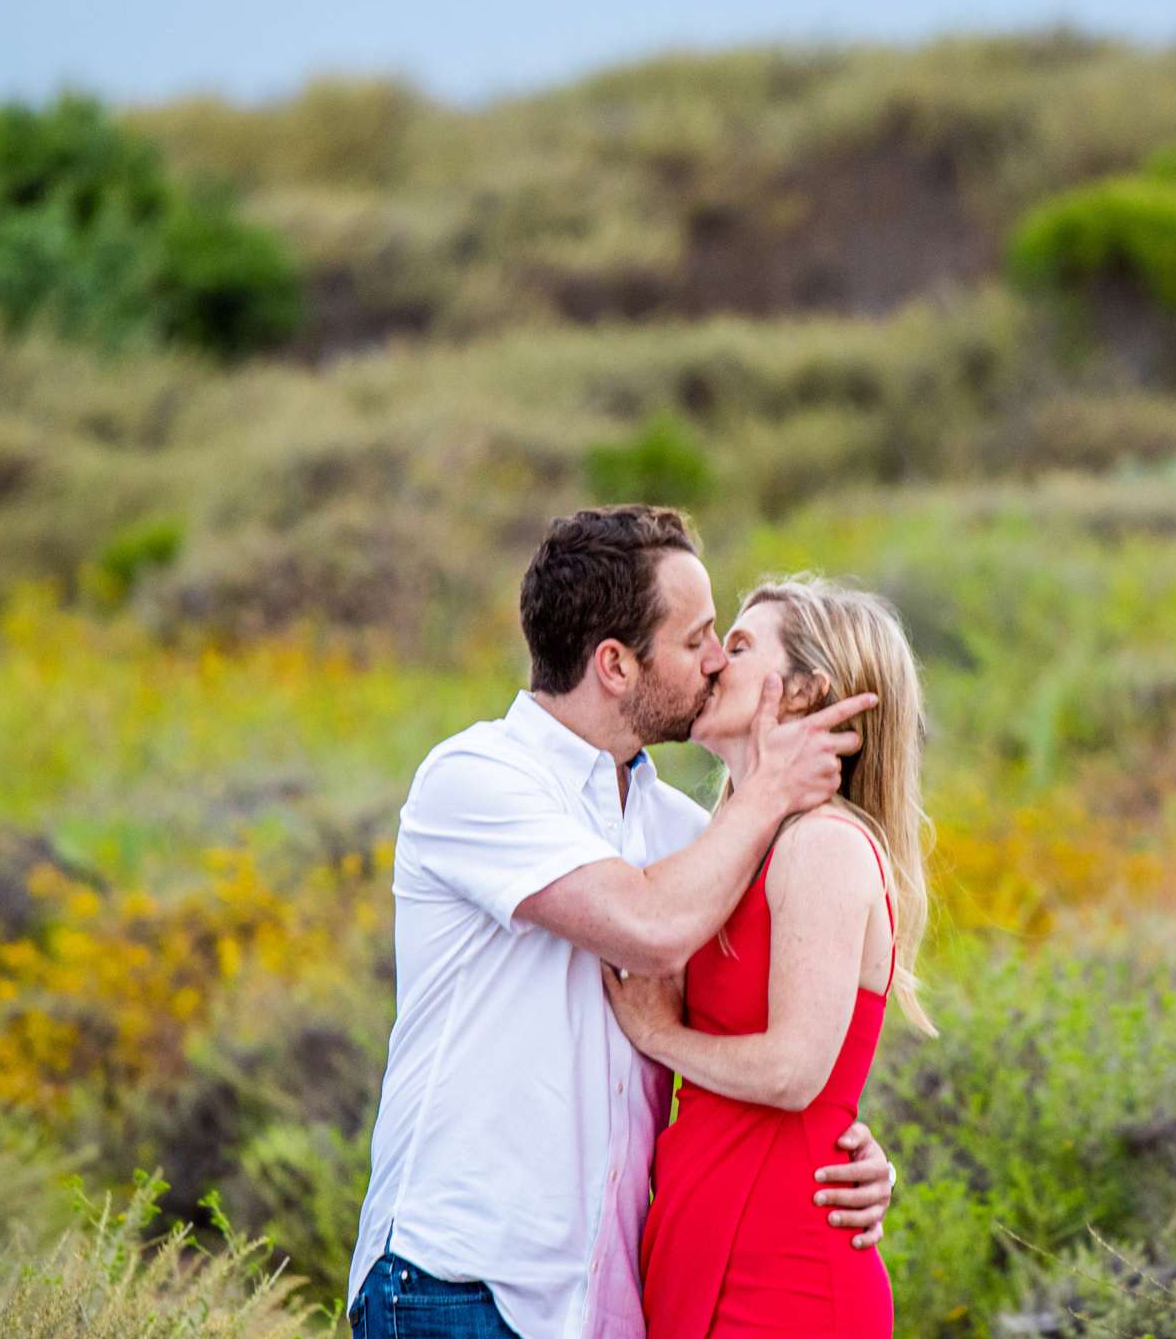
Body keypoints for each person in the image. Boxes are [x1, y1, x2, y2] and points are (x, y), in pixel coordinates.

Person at [346, 507, 899, 1339]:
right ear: (614, 664)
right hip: (461, 1282)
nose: (714, 661)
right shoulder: (477, 777)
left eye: (729, 642)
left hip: (605, 1302)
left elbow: (789, 1020)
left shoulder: (683, 831)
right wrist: (771, 791)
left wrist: (843, 1147)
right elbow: (647, 925)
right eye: (699, 639)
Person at [605, 577, 933, 1339]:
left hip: (781, 1267)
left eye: (742, 645)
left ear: (805, 692)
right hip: (700, 1236)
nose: (714, 659)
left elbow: (794, 1073)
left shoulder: (824, 845)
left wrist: (660, 1037)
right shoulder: (726, 848)